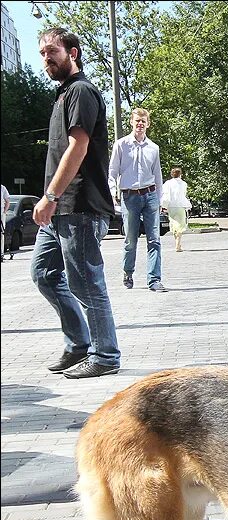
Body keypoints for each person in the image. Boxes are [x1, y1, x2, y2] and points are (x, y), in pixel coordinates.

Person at [30, 28, 120, 379]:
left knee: (86, 282)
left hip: (78, 205)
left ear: (73, 53)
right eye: (42, 53)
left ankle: (106, 355)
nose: (47, 58)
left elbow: (78, 147)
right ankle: (79, 343)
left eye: (52, 50)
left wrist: (50, 196)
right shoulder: (63, 93)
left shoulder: (80, 91)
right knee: (44, 274)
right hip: (60, 210)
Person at [108, 108, 166, 292]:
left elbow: (157, 175)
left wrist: (159, 200)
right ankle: (128, 272)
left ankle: (154, 279)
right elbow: (112, 172)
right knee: (130, 239)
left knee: (154, 239)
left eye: (143, 121)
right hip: (129, 196)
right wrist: (112, 194)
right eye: (137, 121)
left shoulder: (153, 148)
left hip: (150, 196)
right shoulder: (121, 145)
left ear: (148, 124)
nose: (140, 124)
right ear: (132, 123)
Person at [160, 167, 191, 252]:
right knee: (180, 224)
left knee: (173, 223)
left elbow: (165, 194)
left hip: (171, 206)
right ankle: (178, 243)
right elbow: (183, 195)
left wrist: (164, 205)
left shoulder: (167, 183)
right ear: (180, 174)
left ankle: (177, 243)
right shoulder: (184, 184)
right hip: (180, 206)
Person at [1, 183, 9, 260]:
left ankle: (1, 253)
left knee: (1, 234)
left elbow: (7, 201)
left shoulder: (2, 188)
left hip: (1, 215)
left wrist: (4, 212)